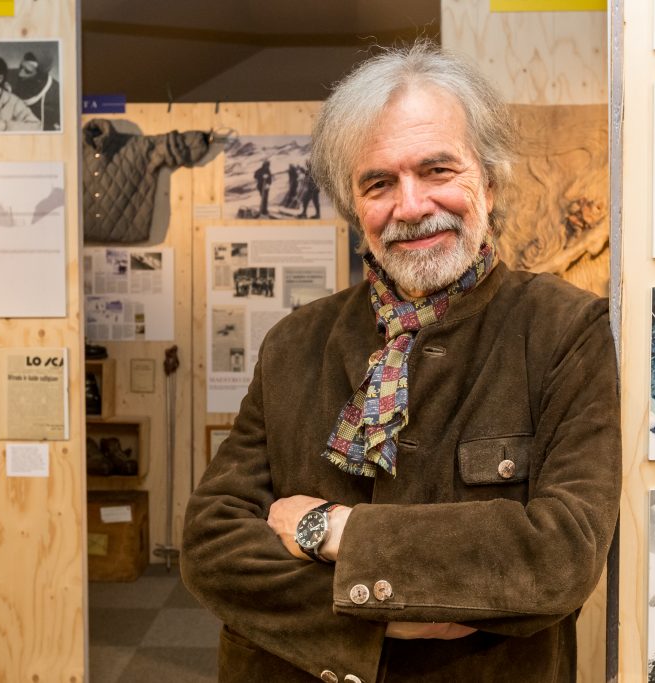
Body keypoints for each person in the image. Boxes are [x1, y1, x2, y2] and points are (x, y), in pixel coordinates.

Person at [180, 43, 621, 683]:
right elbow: (211, 545)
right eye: (379, 182)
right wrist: (408, 606)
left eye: (438, 170)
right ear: (355, 207)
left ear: (490, 184)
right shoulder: (294, 343)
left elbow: (559, 555)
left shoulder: (563, 332)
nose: (411, 207)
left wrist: (332, 531)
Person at [11, 52, 61, 131]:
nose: (20, 74)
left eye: (27, 72)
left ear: (40, 78)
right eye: (21, 67)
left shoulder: (57, 95)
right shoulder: (9, 76)